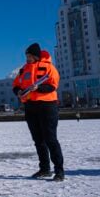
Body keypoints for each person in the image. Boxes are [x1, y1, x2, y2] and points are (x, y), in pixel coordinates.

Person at [13, 43, 65, 181]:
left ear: (36, 56)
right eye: (26, 56)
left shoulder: (49, 67)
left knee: (50, 139)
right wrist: (17, 91)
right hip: (30, 107)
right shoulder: (23, 70)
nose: (28, 58)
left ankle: (59, 171)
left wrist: (38, 88)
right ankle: (44, 169)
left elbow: (53, 85)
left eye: (30, 56)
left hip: (47, 106)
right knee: (38, 140)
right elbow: (16, 84)